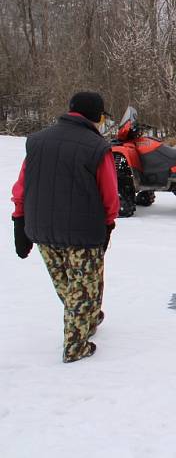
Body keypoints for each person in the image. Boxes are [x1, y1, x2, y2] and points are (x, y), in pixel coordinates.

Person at [11, 92, 119, 363]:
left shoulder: (37, 142)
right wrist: (108, 224)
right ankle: (76, 347)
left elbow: (22, 185)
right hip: (82, 232)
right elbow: (109, 193)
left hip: (42, 229)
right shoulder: (97, 147)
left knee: (68, 285)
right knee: (83, 287)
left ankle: (88, 318)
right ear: (95, 115)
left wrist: (19, 220)